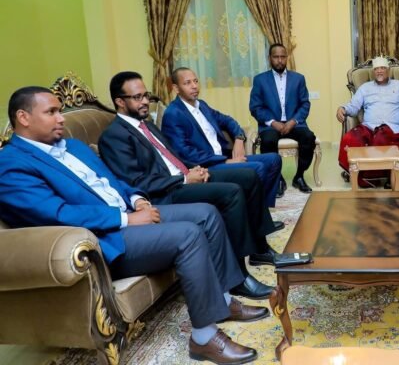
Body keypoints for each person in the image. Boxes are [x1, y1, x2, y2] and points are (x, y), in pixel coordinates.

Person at [0, 87, 268, 365]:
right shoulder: (11, 164)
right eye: (51, 112)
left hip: (128, 214)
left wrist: (137, 199)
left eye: (60, 111)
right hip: (105, 239)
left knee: (206, 213)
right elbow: (56, 214)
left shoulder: (74, 147)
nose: (61, 118)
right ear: (24, 117)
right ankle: (203, 338)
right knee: (188, 234)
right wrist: (126, 219)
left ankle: (223, 301)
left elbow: (114, 181)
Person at [98, 71, 277, 301]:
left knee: (248, 176)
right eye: (137, 97)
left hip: (182, 179)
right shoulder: (114, 136)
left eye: (145, 95)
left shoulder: (147, 126)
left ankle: (259, 249)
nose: (144, 102)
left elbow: (174, 158)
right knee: (231, 193)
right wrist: (184, 179)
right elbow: (137, 183)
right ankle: (239, 279)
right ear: (120, 102)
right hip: (165, 194)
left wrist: (196, 169)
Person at [161, 67, 283, 209]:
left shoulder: (202, 105)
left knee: (274, 159)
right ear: (176, 88)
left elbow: (227, 120)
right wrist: (226, 161)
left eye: (195, 81)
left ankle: (263, 210)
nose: (194, 86)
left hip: (223, 158)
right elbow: (185, 153)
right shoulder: (173, 114)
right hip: (206, 166)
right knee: (258, 168)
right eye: (187, 83)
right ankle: (254, 213)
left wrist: (239, 138)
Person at [335, 56, 399, 187]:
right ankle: (363, 178)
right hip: (368, 127)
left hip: (390, 128)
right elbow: (354, 106)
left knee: (380, 141)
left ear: (388, 70)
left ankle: (383, 176)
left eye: (383, 68)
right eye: (376, 69)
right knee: (349, 139)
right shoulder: (365, 88)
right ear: (373, 71)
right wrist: (343, 108)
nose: (379, 71)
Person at [249, 43, 316, 194]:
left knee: (308, 137)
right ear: (269, 58)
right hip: (271, 125)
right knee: (268, 141)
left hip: (294, 124)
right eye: (276, 57)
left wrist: (293, 121)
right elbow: (255, 107)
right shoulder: (260, 80)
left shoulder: (298, 79)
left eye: (283, 57)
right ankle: (278, 178)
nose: (280, 60)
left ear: (287, 57)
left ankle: (299, 177)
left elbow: (305, 104)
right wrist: (273, 122)